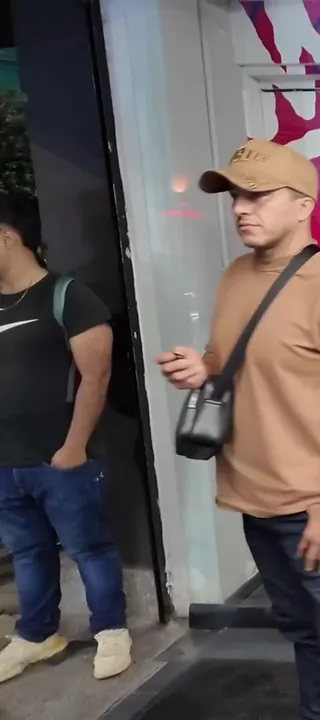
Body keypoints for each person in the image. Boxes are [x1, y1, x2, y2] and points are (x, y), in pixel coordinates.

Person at [156, 140, 320, 719]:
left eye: (257, 196)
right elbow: (238, 361)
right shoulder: (235, 278)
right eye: (235, 196)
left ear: (303, 206)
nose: (239, 208)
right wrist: (202, 368)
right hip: (257, 498)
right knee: (305, 633)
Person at [0, 195, 130, 683]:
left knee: (89, 548)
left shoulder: (68, 296)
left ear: (6, 237)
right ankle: (37, 634)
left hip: (62, 458)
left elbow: (96, 378)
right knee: (27, 552)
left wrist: (73, 447)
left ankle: (111, 630)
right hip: (5, 462)